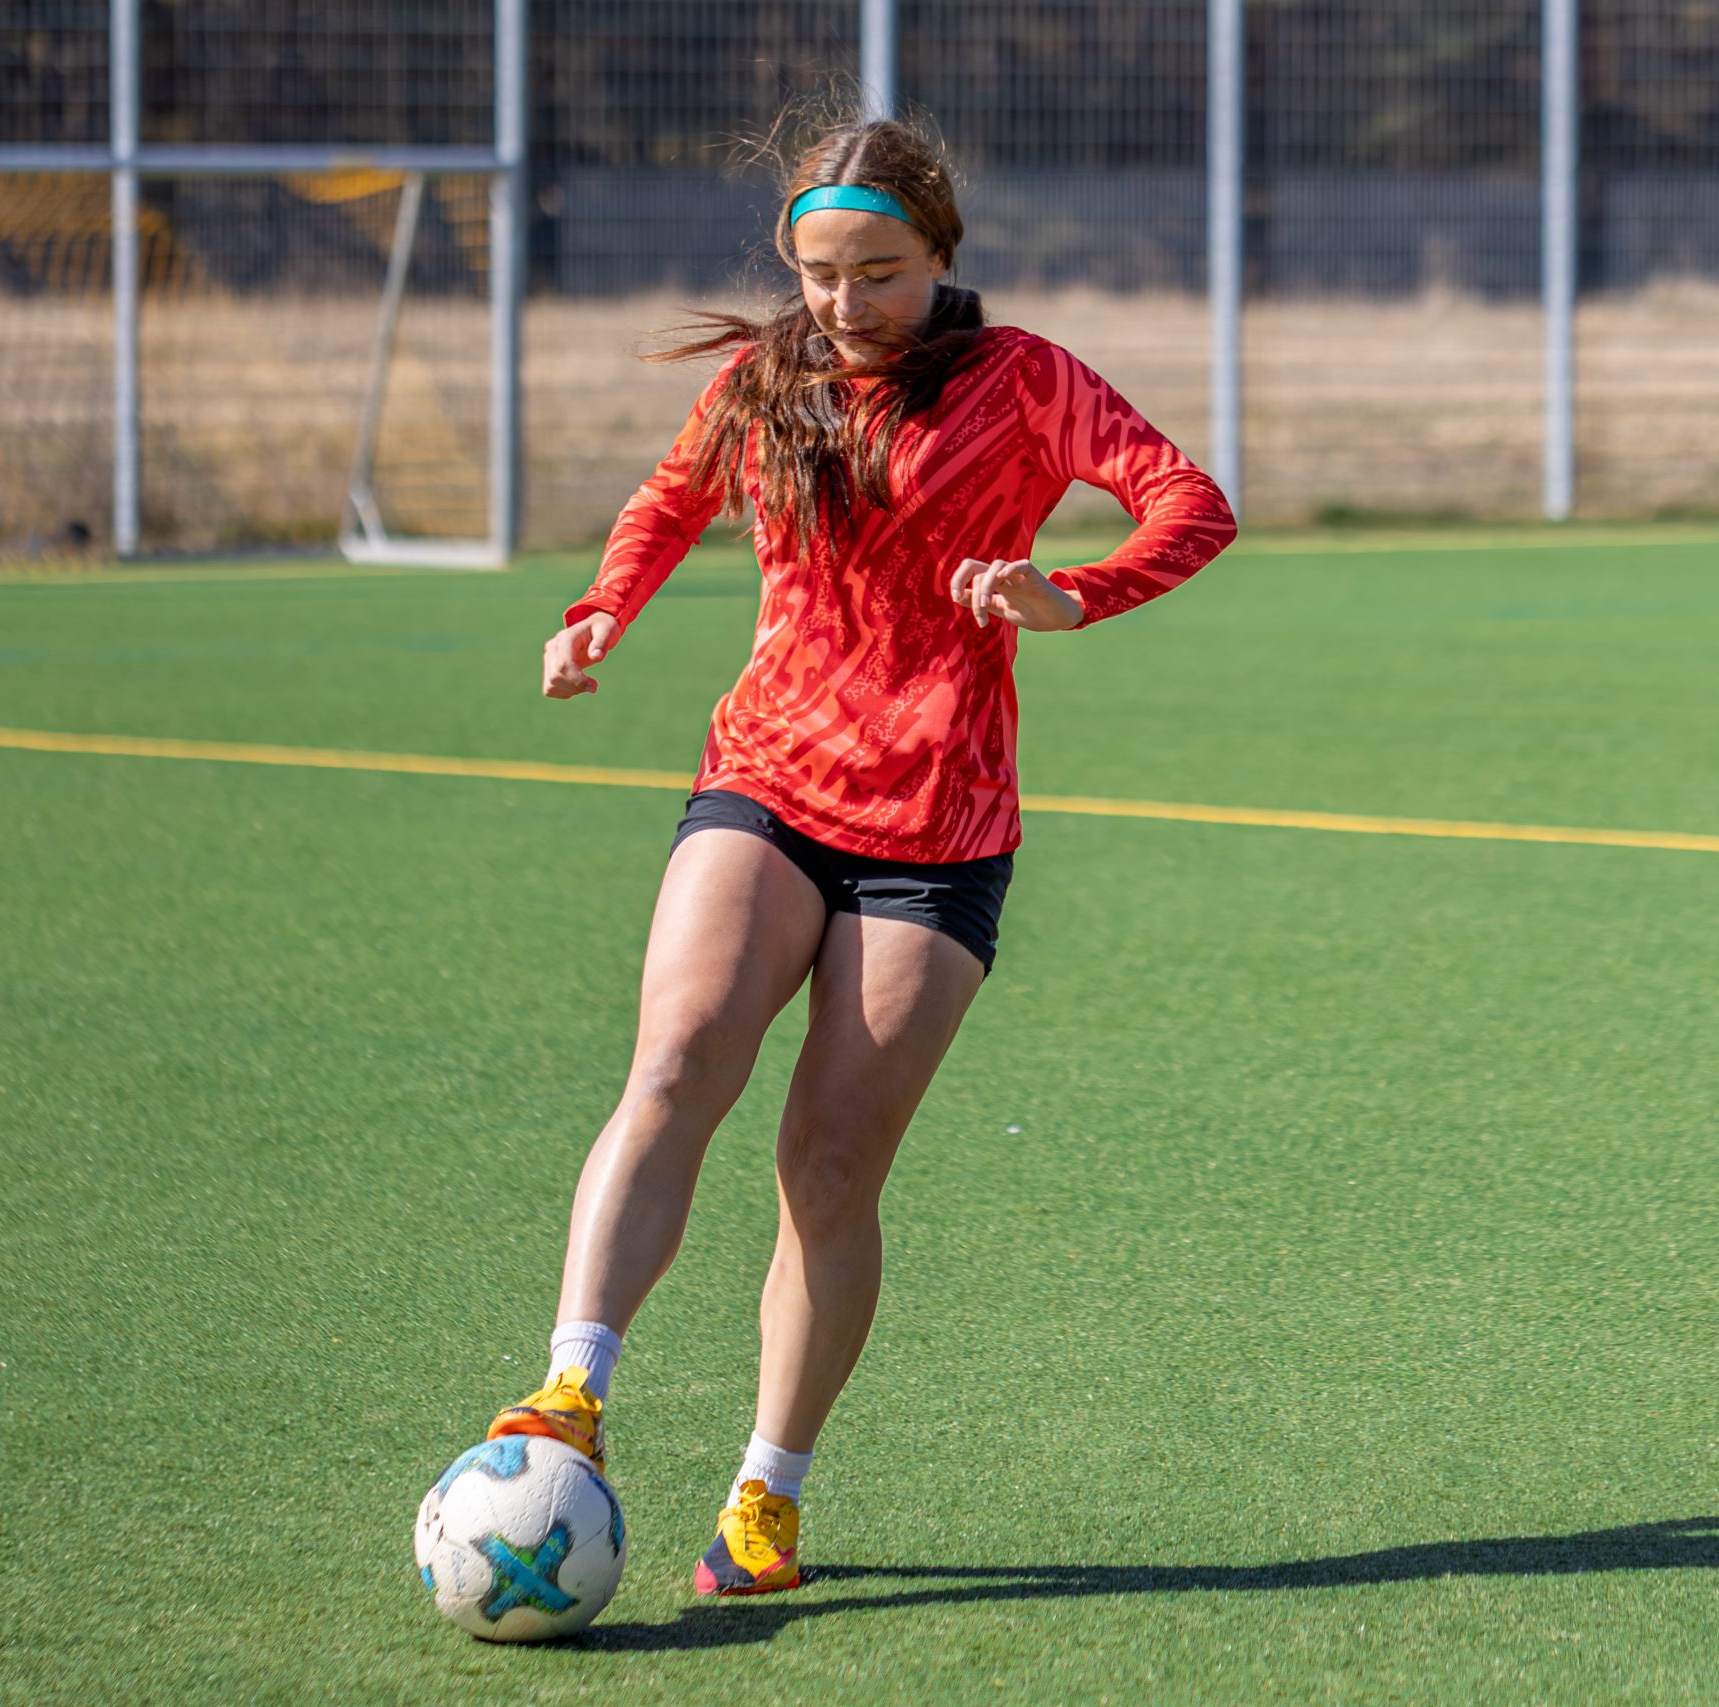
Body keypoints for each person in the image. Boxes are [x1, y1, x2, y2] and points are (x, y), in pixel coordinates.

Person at [482, 117, 1235, 1598]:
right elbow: (669, 498)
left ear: (942, 254)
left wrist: (1070, 592)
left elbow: (1190, 506)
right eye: (820, 274)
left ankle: (770, 1493)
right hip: (767, 775)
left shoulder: (1029, 382)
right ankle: (571, 1387)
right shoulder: (768, 378)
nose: (844, 304)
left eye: (878, 272)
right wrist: (599, 610)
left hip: (941, 832)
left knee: (826, 1165)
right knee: (679, 1054)